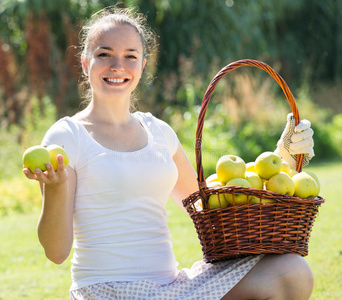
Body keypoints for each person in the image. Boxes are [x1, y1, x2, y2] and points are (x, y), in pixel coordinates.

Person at [23, 6, 315, 300]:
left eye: (130, 56)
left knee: (291, 272)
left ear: (142, 65)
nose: (117, 65)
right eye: (104, 54)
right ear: (85, 63)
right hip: (106, 291)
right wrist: (56, 188)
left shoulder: (159, 132)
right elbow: (56, 252)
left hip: (170, 288)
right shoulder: (66, 136)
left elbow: (210, 207)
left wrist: (284, 160)